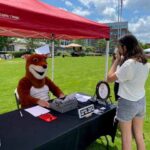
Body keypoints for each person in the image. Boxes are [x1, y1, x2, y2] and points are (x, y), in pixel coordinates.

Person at [107, 34, 149, 150]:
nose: (118, 49)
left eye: (119, 47)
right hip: (141, 101)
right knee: (139, 136)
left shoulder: (129, 63)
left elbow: (109, 78)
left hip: (127, 103)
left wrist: (116, 61)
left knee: (126, 138)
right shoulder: (144, 62)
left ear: (125, 47)